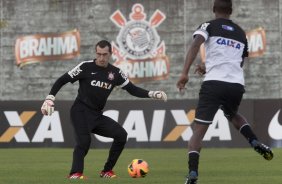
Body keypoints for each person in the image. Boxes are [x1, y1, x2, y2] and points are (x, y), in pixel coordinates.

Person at [176, 0, 273, 183]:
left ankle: (192, 173)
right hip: (236, 84)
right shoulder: (240, 33)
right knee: (233, 114)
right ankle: (254, 141)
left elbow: (196, 44)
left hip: (214, 84)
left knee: (198, 131)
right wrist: (208, 64)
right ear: (231, 11)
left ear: (214, 10)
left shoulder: (208, 25)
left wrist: (184, 73)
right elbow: (239, 61)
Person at [41, 40, 167, 179]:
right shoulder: (85, 67)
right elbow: (62, 80)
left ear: (110, 54)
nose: (101, 58)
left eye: (104, 54)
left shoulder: (115, 73)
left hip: (96, 115)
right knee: (84, 142)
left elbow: (132, 89)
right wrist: (50, 98)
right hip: (80, 111)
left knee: (121, 135)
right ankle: (75, 173)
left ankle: (107, 171)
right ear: (96, 53)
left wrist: (152, 94)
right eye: (99, 54)